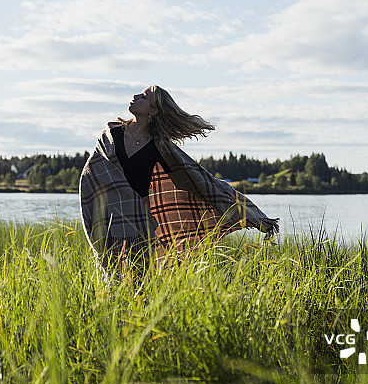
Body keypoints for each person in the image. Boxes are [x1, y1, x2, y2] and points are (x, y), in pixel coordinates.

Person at [79, 85, 278, 275]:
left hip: (140, 222)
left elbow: (200, 180)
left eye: (144, 97)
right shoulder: (111, 135)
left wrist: (252, 215)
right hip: (107, 218)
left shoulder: (159, 147)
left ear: (154, 110)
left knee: (140, 280)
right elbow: (91, 173)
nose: (135, 97)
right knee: (110, 275)